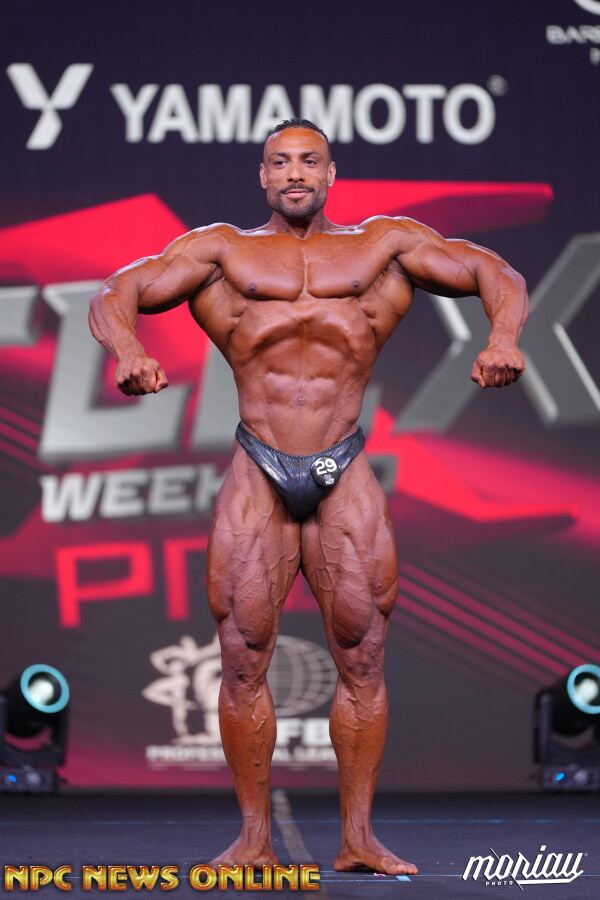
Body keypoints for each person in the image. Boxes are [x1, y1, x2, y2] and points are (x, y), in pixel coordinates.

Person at [88, 118, 528, 875]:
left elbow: (496, 272)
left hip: (343, 465)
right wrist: (128, 349)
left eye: (309, 161)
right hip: (257, 466)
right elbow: (116, 289)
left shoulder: (384, 245)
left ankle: (359, 839)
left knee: (363, 652)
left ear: (330, 175)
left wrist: (505, 338)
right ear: (262, 176)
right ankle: (252, 840)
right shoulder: (221, 251)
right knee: (241, 657)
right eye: (280, 162)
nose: (295, 173)